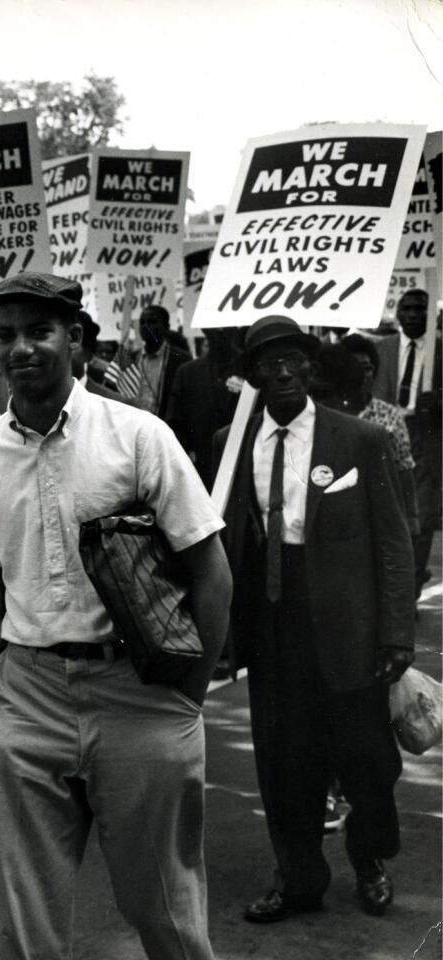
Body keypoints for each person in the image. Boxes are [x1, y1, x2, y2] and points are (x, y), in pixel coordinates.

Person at [0, 273, 231, 960]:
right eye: (5, 336)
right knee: (30, 916)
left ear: (74, 340)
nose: (21, 348)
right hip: (27, 692)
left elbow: (211, 572)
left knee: (163, 906)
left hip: (138, 693)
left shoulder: (139, 437)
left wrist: (186, 696)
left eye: (38, 331)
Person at [214, 315, 414, 923]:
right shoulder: (229, 444)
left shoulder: (357, 440)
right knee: (283, 761)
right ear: (250, 376)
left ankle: (370, 860)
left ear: (311, 366)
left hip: (349, 626)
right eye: (267, 365)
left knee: (366, 759)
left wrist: (397, 634)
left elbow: (394, 543)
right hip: (272, 627)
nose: (281, 374)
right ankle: (298, 877)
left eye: (292, 361)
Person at [368, 288, 441, 596]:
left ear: (432, 315)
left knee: (421, 518)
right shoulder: (381, 348)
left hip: (426, 437)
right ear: (397, 314)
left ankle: (407, 591)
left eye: (420, 309)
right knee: (384, 512)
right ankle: (391, 584)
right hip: (383, 433)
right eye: (407, 309)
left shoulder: (440, 349)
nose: (413, 315)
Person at [312, 341, 418, 536]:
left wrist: (411, 518)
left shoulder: (389, 415)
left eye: (367, 368)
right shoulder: (323, 414)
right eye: (355, 368)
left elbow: (404, 469)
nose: (362, 375)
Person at [167, 327, 244, 487]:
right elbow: (175, 421)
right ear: (205, 331)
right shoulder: (187, 373)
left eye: (225, 326)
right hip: (201, 468)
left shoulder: (251, 368)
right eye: (215, 328)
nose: (220, 331)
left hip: (242, 465)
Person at [127, 305, 191, 417]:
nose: (145, 326)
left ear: (166, 327)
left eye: (152, 322)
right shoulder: (131, 358)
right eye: (142, 322)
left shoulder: (180, 359)